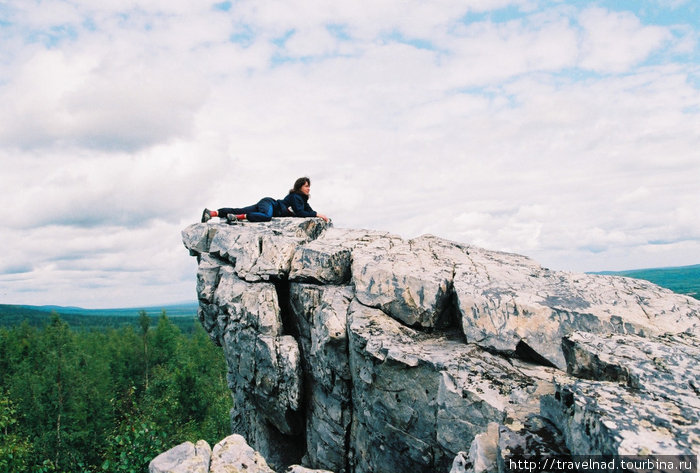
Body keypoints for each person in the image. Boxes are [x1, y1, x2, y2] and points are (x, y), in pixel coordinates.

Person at [201, 176, 330, 224]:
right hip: (270, 204)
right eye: (306, 186)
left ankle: (212, 213)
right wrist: (317, 214)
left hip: (267, 205)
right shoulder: (296, 197)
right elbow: (301, 213)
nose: (309, 189)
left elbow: (308, 211)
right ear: (300, 187)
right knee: (266, 217)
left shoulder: (302, 200)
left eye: (309, 187)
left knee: (238, 209)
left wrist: (319, 215)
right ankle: (239, 217)